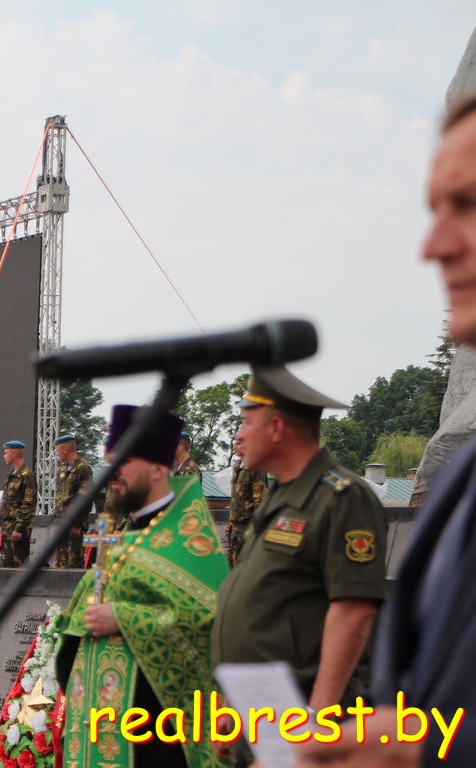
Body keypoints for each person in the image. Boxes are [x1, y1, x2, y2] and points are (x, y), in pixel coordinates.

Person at [293, 94, 476, 768]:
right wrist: (386, 739)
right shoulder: (461, 477)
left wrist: (418, 750)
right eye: (436, 210)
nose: (434, 246)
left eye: (469, 205)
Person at [210, 367, 388, 767]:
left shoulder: (342, 497)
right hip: (259, 716)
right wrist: (233, 710)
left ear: (276, 427)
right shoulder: (279, 499)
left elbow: (354, 610)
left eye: (246, 422)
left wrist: (315, 725)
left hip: (301, 717)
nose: (238, 436)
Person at [56, 405, 228, 768]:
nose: (112, 473)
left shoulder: (190, 541)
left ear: (158, 467)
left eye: (124, 461)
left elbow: (206, 621)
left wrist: (123, 616)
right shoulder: (125, 536)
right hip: (97, 721)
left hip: (155, 736)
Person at [224, 435, 267, 568]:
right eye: (235, 443)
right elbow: (237, 499)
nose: (235, 446)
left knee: (247, 567)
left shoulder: (256, 467)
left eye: (239, 444)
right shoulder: (237, 467)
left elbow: (260, 500)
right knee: (232, 566)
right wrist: (231, 521)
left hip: (248, 527)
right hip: (236, 529)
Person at [53, 434, 93, 568]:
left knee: (74, 563)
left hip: (75, 525)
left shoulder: (83, 468)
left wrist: (77, 525)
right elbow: (59, 498)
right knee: (61, 563)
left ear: (65, 450)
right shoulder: (62, 468)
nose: (57, 453)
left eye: (58, 450)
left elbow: (84, 498)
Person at [0, 440, 36, 568]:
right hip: (8, 525)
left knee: (19, 564)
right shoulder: (12, 475)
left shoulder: (26, 476)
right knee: (7, 563)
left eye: (6, 453)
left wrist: (19, 528)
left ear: (14, 454)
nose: (4, 456)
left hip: (17, 526)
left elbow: (28, 504)